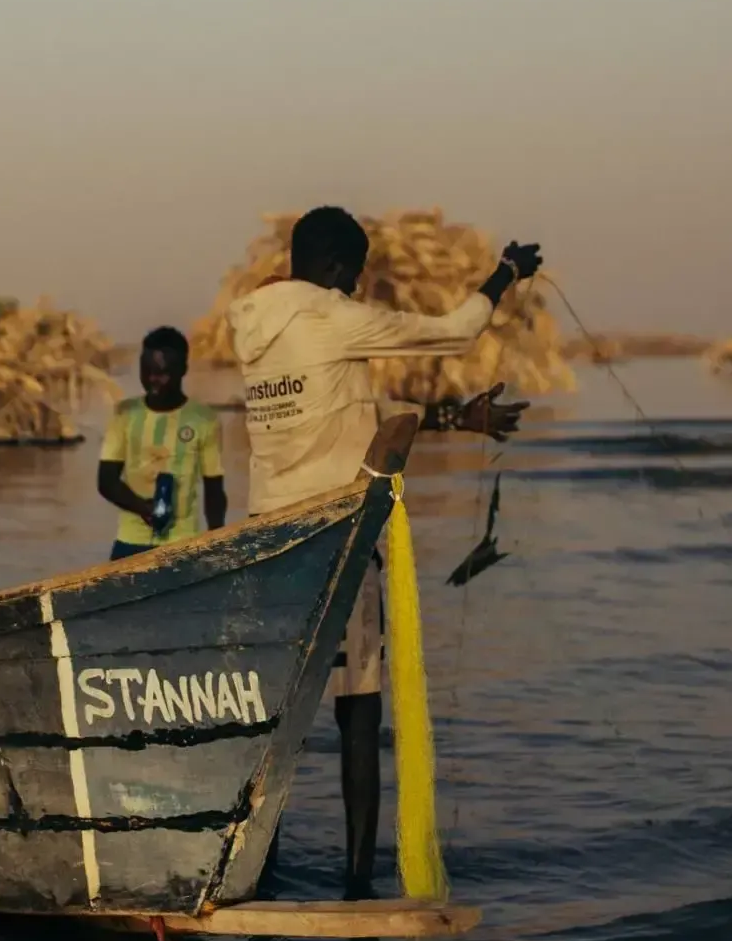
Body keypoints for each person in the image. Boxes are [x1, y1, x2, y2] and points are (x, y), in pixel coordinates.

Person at [226, 205, 541, 894]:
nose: (355, 292)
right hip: (337, 542)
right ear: (337, 268)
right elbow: (457, 333)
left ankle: (253, 872)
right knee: (359, 712)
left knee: (271, 725)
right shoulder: (334, 317)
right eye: (354, 278)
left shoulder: (254, 325)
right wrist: (506, 273)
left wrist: (458, 416)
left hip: (267, 548)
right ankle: (359, 883)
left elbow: (342, 401)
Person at [97, 327, 226, 559]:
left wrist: (217, 543)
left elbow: (214, 490)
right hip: (130, 543)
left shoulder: (203, 419)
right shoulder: (124, 415)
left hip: (184, 543)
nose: (152, 380)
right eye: (146, 371)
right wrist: (143, 508)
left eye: (162, 373)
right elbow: (106, 481)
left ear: (183, 370)